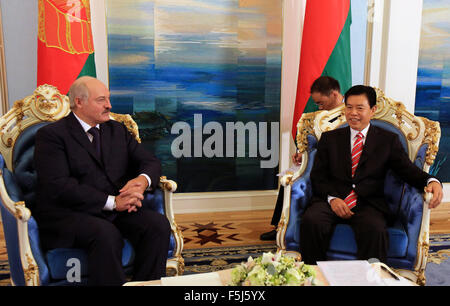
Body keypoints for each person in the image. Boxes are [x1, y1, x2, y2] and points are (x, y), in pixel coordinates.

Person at [33, 76, 171, 285]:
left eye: (108, 98)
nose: (109, 105)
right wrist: (113, 202)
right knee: (106, 235)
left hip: (115, 210)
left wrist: (141, 182)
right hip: (71, 213)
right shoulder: (52, 136)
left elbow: (149, 161)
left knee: (157, 225)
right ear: (79, 102)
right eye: (101, 100)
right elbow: (59, 186)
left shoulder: (116, 130)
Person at [299, 85, 443, 264]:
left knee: (375, 230)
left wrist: (432, 180)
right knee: (311, 221)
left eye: (360, 108)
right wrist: (332, 199)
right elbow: (318, 177)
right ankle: (313, 276)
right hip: (332, 199)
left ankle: (371, 279)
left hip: (368, 203)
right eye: (349, 107)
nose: (353, 113)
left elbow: (407, 170)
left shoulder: (388, 141)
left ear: (373, 110)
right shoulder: (330, 139)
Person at [260, 76, 344, 240]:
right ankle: (281, 226)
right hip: (315, 159)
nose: (319, 106)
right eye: (317, 103)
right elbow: (311, 140)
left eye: (321, 102)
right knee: (289, 178)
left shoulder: (350, 113)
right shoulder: (320, 114)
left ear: (334, 94)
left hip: (337, 164)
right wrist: (302, 153)